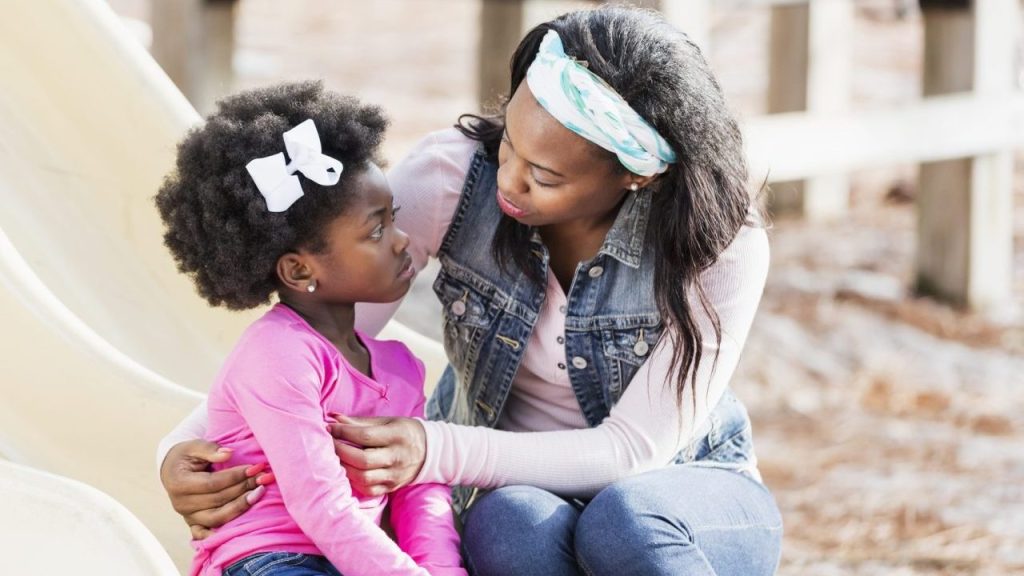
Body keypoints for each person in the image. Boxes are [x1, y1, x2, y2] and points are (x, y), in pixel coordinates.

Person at [159, 6, 783, 575]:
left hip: (680, 491)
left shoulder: (719, 245)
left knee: (624, 522)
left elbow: (631, 452)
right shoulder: (454, 176)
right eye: (509, 141)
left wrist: (433, 447)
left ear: (636, 174)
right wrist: (177, 449)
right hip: (514, 488)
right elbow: (308, 338)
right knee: (508, 527)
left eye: (543, 174)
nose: (507, 183)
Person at [154, 82, 466, 576]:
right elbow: (318, 502)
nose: (404, 241)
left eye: (395, 218)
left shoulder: (400, 368)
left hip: (353, 561)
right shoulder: (278, 352)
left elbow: (420, 493)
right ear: (300, 271)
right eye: (376, 230)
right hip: (266, 559)